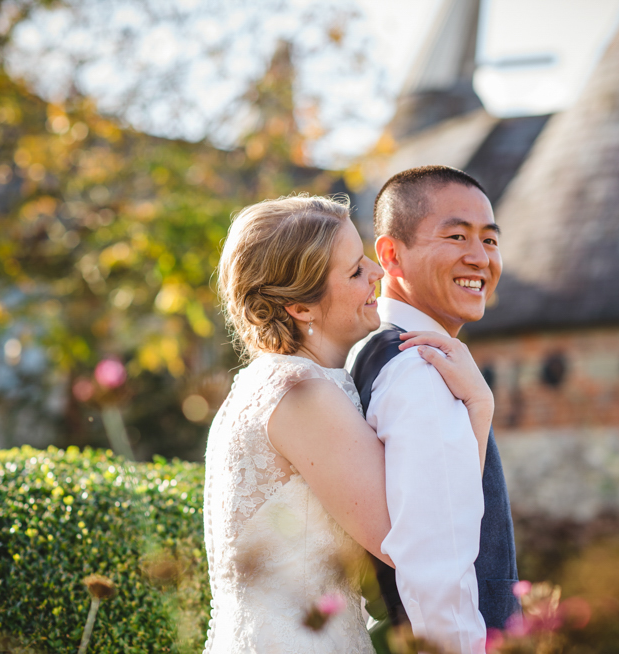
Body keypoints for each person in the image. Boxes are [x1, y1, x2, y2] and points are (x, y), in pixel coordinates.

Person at [202, 194, 496, 653]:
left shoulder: (269, 382)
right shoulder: (302, 393)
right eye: (356, 271)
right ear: (301, 307)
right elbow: (414, 536)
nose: (378, 273)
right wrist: (478, 405)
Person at [347, 165, 522, 654]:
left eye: (489, 240)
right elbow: (435, 564)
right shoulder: (420, 370)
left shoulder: (380, 352)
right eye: (456, 236)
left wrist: (480, 405)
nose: (480, 258)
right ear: (391, 255)